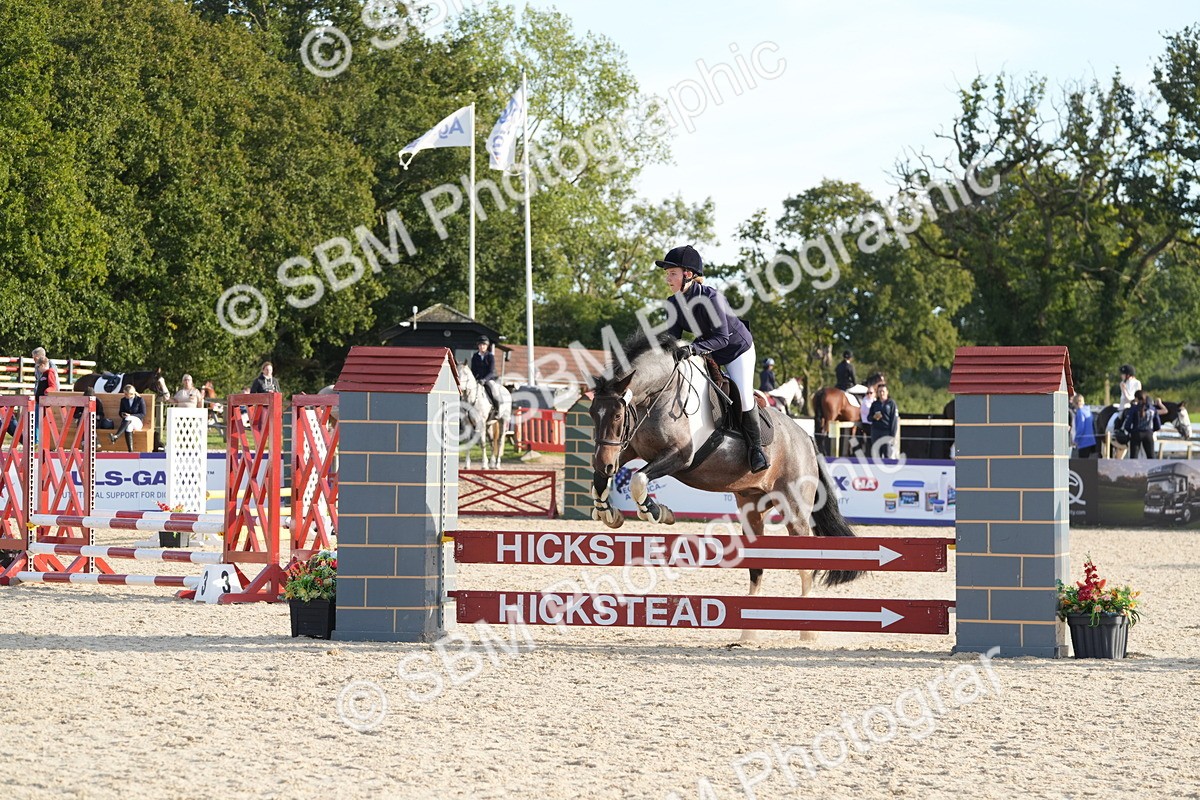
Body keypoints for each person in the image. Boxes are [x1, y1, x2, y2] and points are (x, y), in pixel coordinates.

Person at [658, 244, 768, 473]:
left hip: (736, 350)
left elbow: (722, 339)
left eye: (672, 273)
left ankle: (757, 450)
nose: (668, 278)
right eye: (667, 274)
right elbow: (671, 338)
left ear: (687, 275)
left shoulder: (712, 298)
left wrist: (692, 349)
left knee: (744, 396)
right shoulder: (673, 303)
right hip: (709, 350)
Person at [1122, 389, 1159, 459]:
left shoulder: (1134, 409)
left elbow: (1127, 423)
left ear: (1136, 398)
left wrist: (1131, 431)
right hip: (1148, 433)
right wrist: (1151, 431)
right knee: (1151, 456)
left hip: (1136, 433)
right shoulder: (1152, 409)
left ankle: (1134, 470)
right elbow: (1158, 425)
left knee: (1134, 457)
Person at [109, 384, 145, 452]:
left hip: (138, 422)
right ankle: (130, 450)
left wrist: (131, 415)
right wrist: (122, 414)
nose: (124, 395)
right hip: (127, 422)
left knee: (129, 418)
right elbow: (120, 412)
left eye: (126, 394)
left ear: (131, 394)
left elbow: (143, 414)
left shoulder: (140, 400)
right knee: (128, 427)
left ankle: (116, 436)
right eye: (124, 393)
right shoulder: (123, 400)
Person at [470, 336, 500, 413]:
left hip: (488, 379)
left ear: (487, 346)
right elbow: (473, 370)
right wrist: (474, 380)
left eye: (484, 345)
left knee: (494, 391)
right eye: (480, 345)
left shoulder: (490, 356)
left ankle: (497, 408)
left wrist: (484, 380)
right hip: (478, 380)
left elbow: (491, 371)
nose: (482, 347)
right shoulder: (475, 356)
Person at [868, 383, 898, 459]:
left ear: (887, 392)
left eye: (883, 391)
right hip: (876, 431)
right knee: (876, 455)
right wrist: (874, 417)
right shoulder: (875, 404)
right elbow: (869, 418)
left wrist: (892, 435)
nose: (881, 393)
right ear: (877, 393)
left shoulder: (891, 403)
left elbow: (894, 421)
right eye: (879, 391)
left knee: (887, 455)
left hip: (886, 432)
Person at [1071, 393, 1097, 458]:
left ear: (1076, 403)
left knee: (1082, 464)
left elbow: (1080, 427)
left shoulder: (1080, 412)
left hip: (1084, 442)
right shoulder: (1088, 411)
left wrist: (1076, 440)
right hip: (1091, 441)